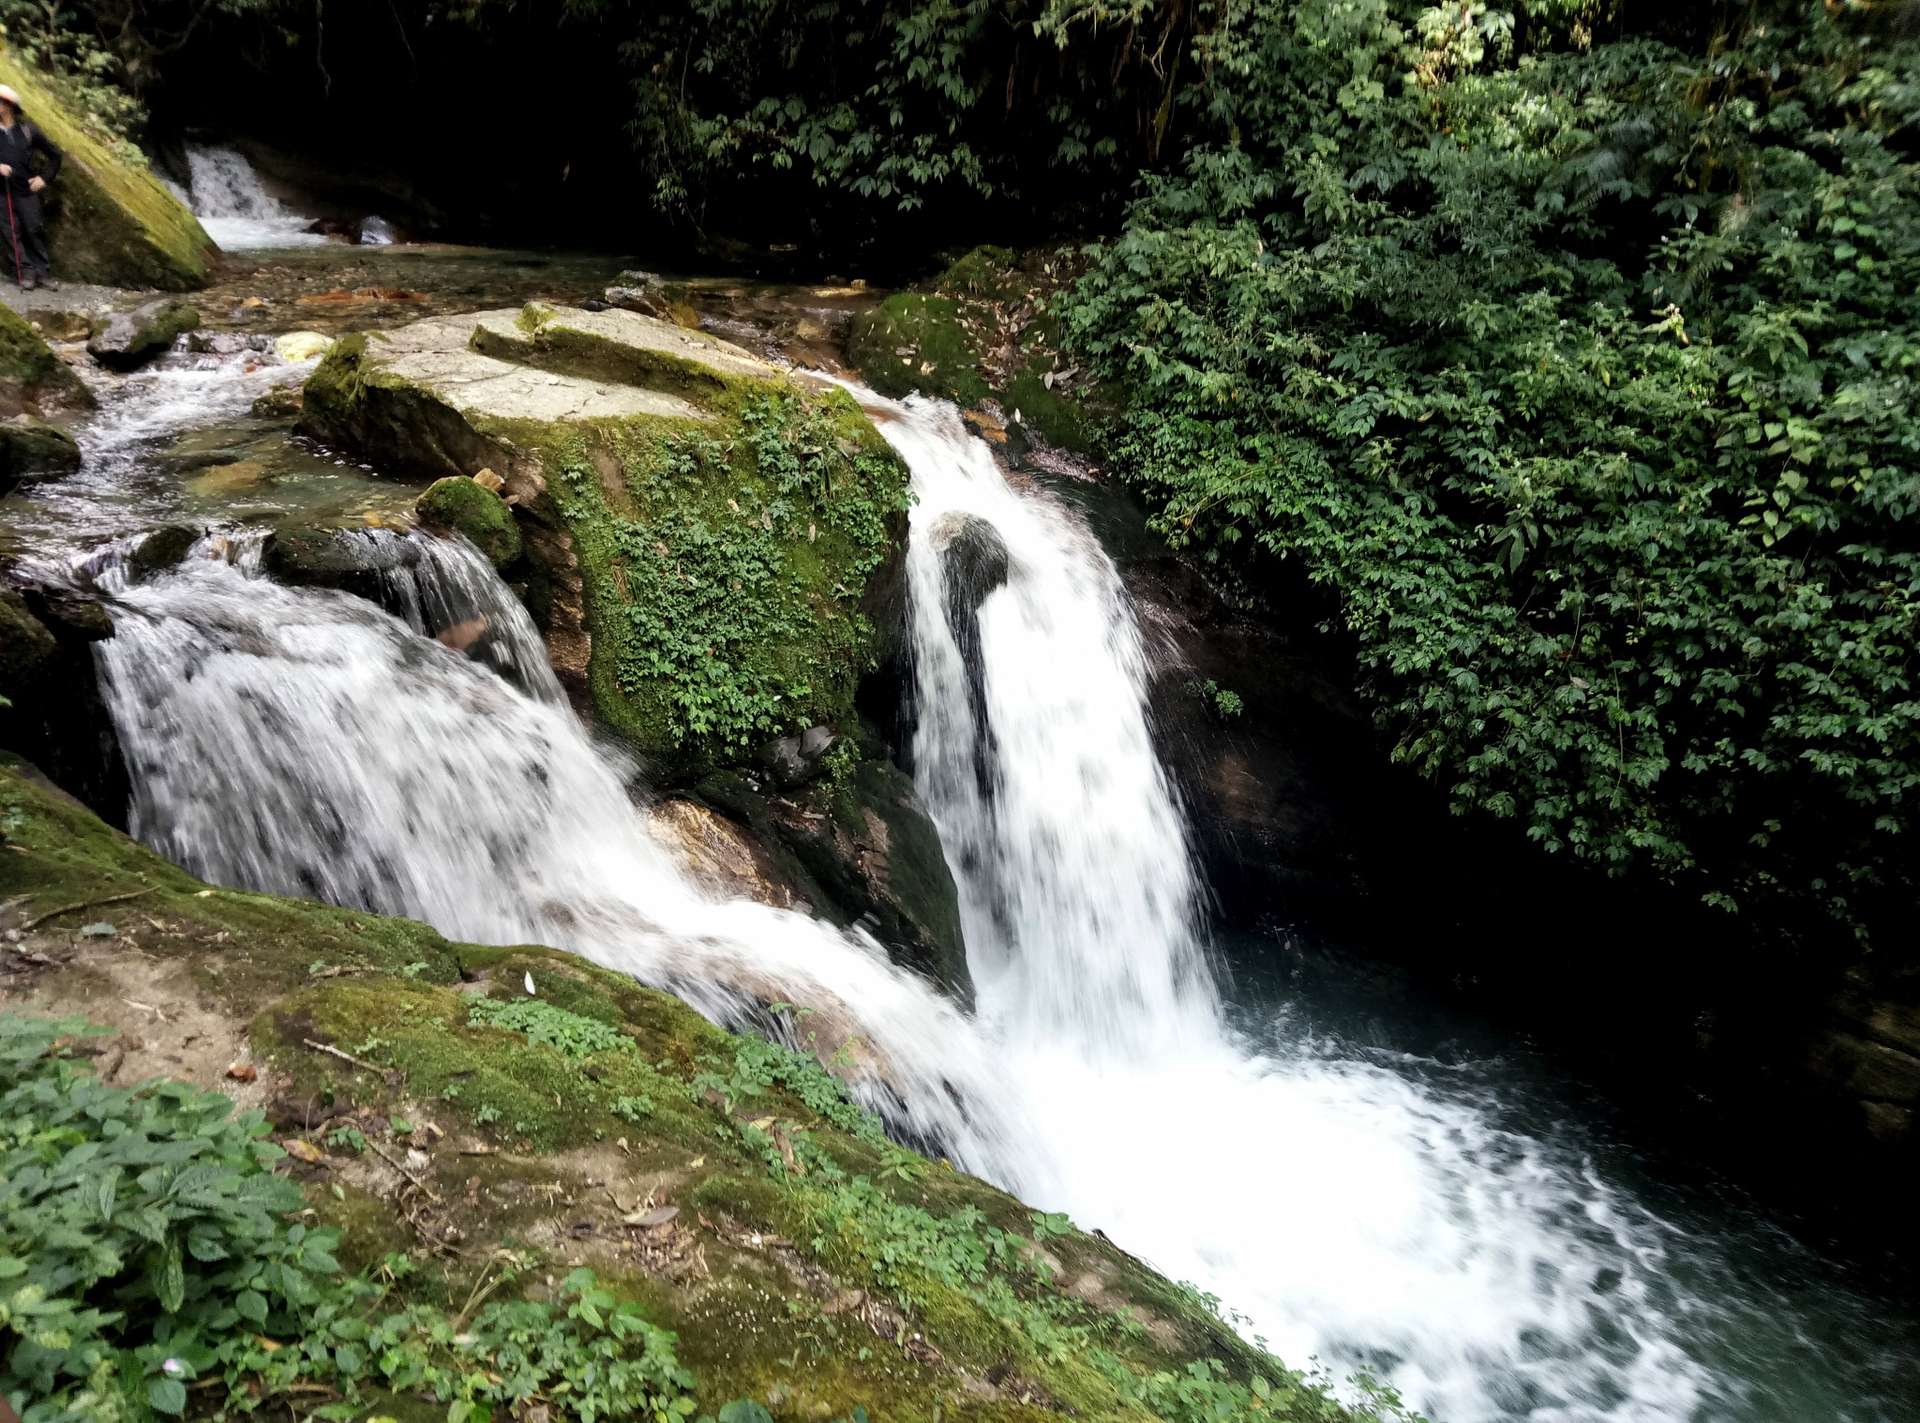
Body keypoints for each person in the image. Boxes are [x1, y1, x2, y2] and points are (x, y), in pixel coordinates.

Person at [0, 83, 62, 290]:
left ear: (8, 105)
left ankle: (42, 273)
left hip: (26, 191)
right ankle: (25, 273)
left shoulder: (28, 131)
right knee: (11, 233)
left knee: (34, 229)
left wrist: (44, 179)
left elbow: (55, 156)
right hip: (2, 194)